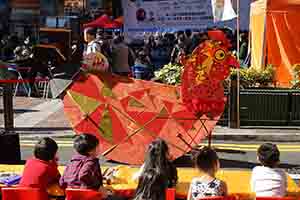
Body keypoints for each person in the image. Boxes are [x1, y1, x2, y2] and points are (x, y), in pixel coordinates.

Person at [60, 133, 118, 199]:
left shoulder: (73, 161)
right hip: (89, 196)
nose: (99, 148)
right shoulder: (91, 161)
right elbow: (84, 175)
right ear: (90, 151)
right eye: (98, 146)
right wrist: (99, 187)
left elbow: (62, 181)